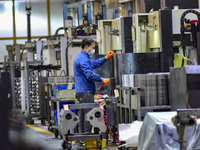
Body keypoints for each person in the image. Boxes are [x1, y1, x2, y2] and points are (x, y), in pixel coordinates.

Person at [74, 38, 114, 133]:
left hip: (82, 91)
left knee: (83, 115)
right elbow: (89, 74)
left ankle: (82, 137)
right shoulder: (83, 59)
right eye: (92, 48)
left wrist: (105, 58)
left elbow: (94, 64)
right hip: (85, 92)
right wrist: (102, 79)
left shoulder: (83, 57)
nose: (93, 50)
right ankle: (87, 137)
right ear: (86, 47)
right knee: (88, 115)